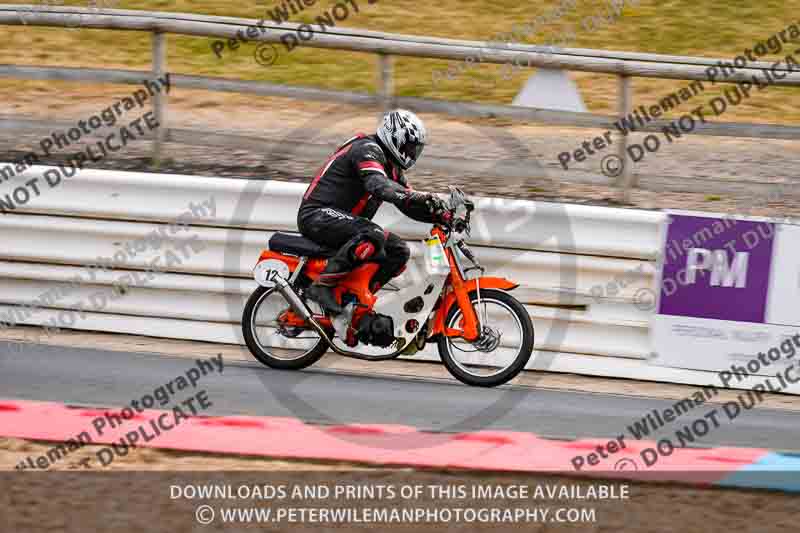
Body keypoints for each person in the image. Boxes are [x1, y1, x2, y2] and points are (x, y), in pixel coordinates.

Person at [298, 109, 451, 314]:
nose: (412, 153)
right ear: (394, 138)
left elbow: (407, 202)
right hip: (316, 214)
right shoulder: (366, 148)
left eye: (415, 149)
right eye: (409, 146)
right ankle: (321, 287)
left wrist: (443, 215)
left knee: (399, 250)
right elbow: (377, 185)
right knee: (373, 233)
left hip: (344, 223)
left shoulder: (392, 167)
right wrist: (419, 196)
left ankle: (359, 305)